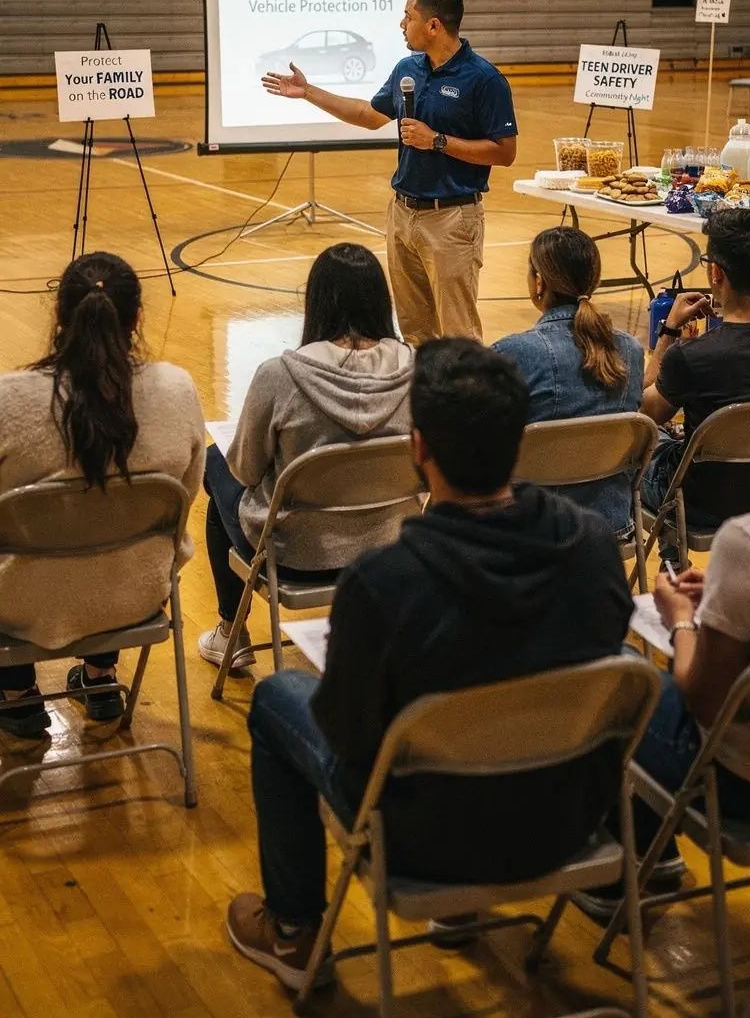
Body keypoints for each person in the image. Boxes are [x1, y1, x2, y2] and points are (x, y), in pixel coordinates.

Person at [225, 338, 634, 993]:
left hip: (428, 844)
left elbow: (347, 736)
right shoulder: (593, 548)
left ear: (419, 449)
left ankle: (295, 932)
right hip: (567, 822)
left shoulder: (385, 583)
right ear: (519, 443)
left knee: (277, 698)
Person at [577, 327, 750, 920]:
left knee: (622, 678)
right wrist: (735, 598)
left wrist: (683, 621)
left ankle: (623, 877)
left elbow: (706, 702)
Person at [0, 252, 205, 739]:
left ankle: (14, 695)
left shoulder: (10, 400)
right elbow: (186, 498)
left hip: (19, 602)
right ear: (136, 318)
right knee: (113, 523)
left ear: (59, 316)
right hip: (135, 592)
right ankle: (100, 678)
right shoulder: (176, 390)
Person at [262, 0, 517, 346]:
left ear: (433, 26)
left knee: (458, 335)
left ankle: (467, 402)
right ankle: (422, 402)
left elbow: (505, 152)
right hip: (402, 214)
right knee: (415, 331)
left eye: (407, 16)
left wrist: (438, 141)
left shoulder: (484, 79)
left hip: (452, 220)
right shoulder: (406, 69)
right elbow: (368, 114)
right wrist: (309, 93)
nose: (401, 24)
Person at [198, 243, 413, 671]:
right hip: (392, 542)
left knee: (214, 462)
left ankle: (230, 632)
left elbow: (245, 469)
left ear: (316, 302)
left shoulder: (279, 375)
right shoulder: (419, 368)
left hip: (297, 552)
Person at [640, 207, 750, 560]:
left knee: (638, 444)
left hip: (705, 505)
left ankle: (673, 563)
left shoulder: (690, 356)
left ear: (716, 272)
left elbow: (645, 414)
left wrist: (669, 331)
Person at [493, 227, 644, 537]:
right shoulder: (630, 349)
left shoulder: (513, 352)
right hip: (609, 525)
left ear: (539, 282)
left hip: (529, 529)